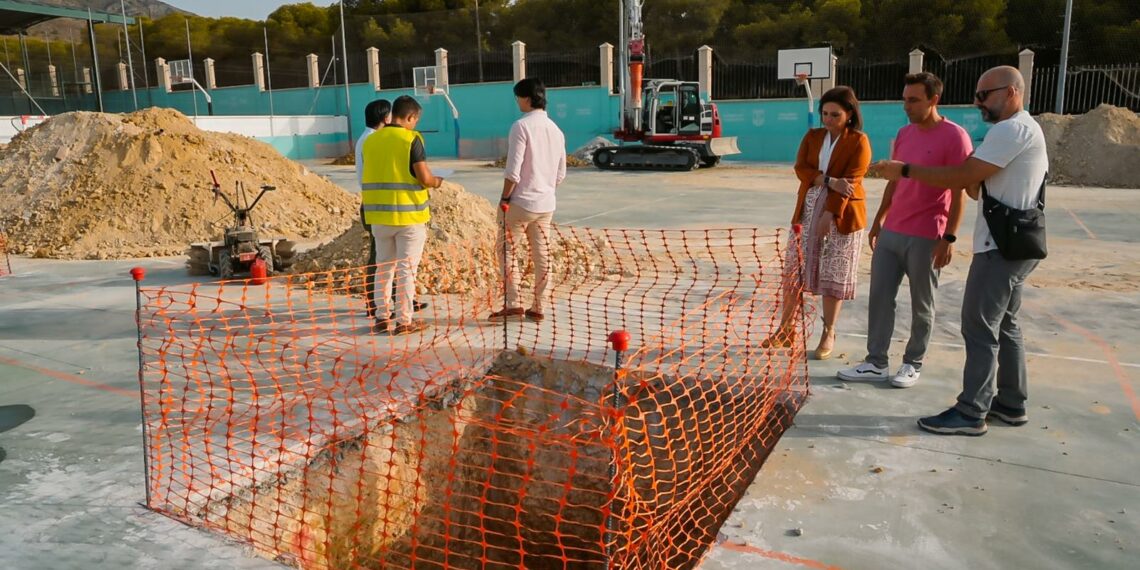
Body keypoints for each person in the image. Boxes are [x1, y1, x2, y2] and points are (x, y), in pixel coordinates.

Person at [872, 66, 1048, 436]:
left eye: (985, 95)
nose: (978, 101)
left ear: (1012, 92)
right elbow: (975, 184)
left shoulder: (1010, 129)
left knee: (979, 326)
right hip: (1017, 241)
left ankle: (971, 411)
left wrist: (905, 171)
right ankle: (1012, 403)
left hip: (1001, 247)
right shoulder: (1022, 129)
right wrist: (968, 177)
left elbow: (960, 178)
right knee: (1007, 325)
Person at [838, 73, 972, 388]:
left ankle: (913, 363)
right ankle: (875, 362)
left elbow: (960, 191)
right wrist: (879, 219)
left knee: (922, 302)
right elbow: (895, 179)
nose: (906, 107)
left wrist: (949, 238)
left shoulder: (956, 137)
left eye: (913, 100)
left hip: (928, 235)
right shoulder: (904, 133)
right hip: (892, 232)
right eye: (904, 99)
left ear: (934, 100)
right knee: (880, 297)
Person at [765, 86, 872, 360]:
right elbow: (801, 169)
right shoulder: (813, 137)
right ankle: (785, 329)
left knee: (833, 273)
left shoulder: (859, 142)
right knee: (794, 270)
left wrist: (830, 214)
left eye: (835, 114)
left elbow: (852, 181)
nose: (828, 119)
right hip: (806, 213)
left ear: (849, 115)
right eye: (825, 113)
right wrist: (827, 180)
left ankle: (829, 332)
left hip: (843, 216)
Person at [360, 95, 445, 335]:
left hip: (378, 217)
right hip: (409, 218)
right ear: (410, 117)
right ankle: (404, 322)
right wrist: (437, 182)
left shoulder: (371, 141)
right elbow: (424, 178)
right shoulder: (411, 139)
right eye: (415, 120)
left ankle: (381, 318)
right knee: (407, 270)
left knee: (383, 268)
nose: (415, 125)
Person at [489, 78, 567, 322]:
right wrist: (544, 188)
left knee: (506, 251)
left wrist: (505, 197)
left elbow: (513, 171)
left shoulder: (520, 126)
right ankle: (539, 307)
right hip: (546, 205)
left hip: (520, 203)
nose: (517, 102)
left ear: (527, 98)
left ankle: (512, 304)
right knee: (542, 255)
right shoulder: (556, 130)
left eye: (518, 97)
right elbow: (561, 174)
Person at [356, 99, 390, 319]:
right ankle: (373, 302)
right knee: (380, 256)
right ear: (385, 118)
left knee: (383, 255)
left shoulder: (366, 138)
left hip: (372, 202)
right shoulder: (374, 140)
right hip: (375, 204)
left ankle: (382, 300)